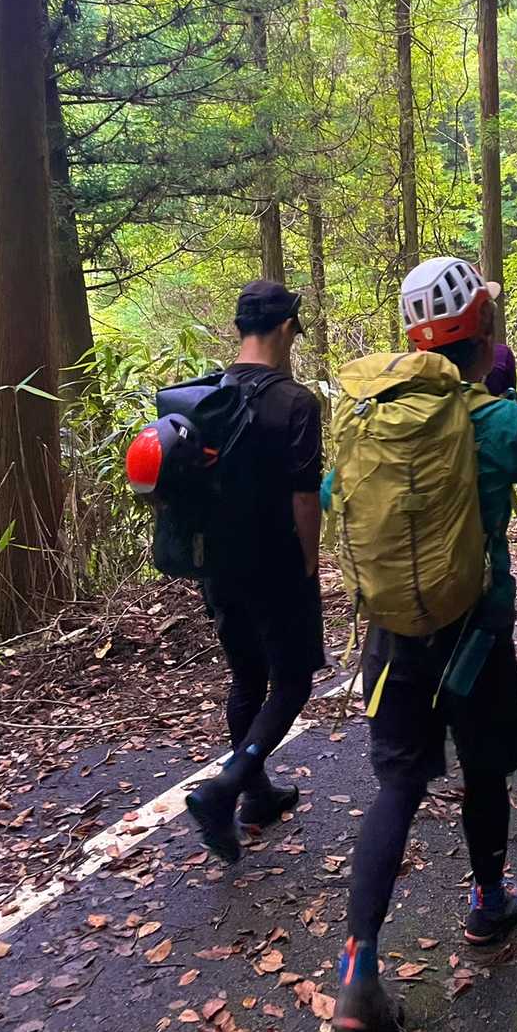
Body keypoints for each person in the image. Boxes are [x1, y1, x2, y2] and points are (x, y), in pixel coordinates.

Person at [334, 257, 517, 1032]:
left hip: (393, 633)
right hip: (477, 634)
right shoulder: (503, 422)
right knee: (483, 769)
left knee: (399, 785)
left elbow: (337, 496)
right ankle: (487, 900)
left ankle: (359, 967)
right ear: (482, 332)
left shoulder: (375, 418)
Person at [185, 280, 324, 863]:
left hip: (217, 565)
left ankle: (258, 795)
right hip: (276, 563)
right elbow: (304, 495)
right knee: (292, 682)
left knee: (247, 676)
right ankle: (225, 789)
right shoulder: (295, 402)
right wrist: (310, 560)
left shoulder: (204, 398)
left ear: (241, 327)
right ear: (287, 327)